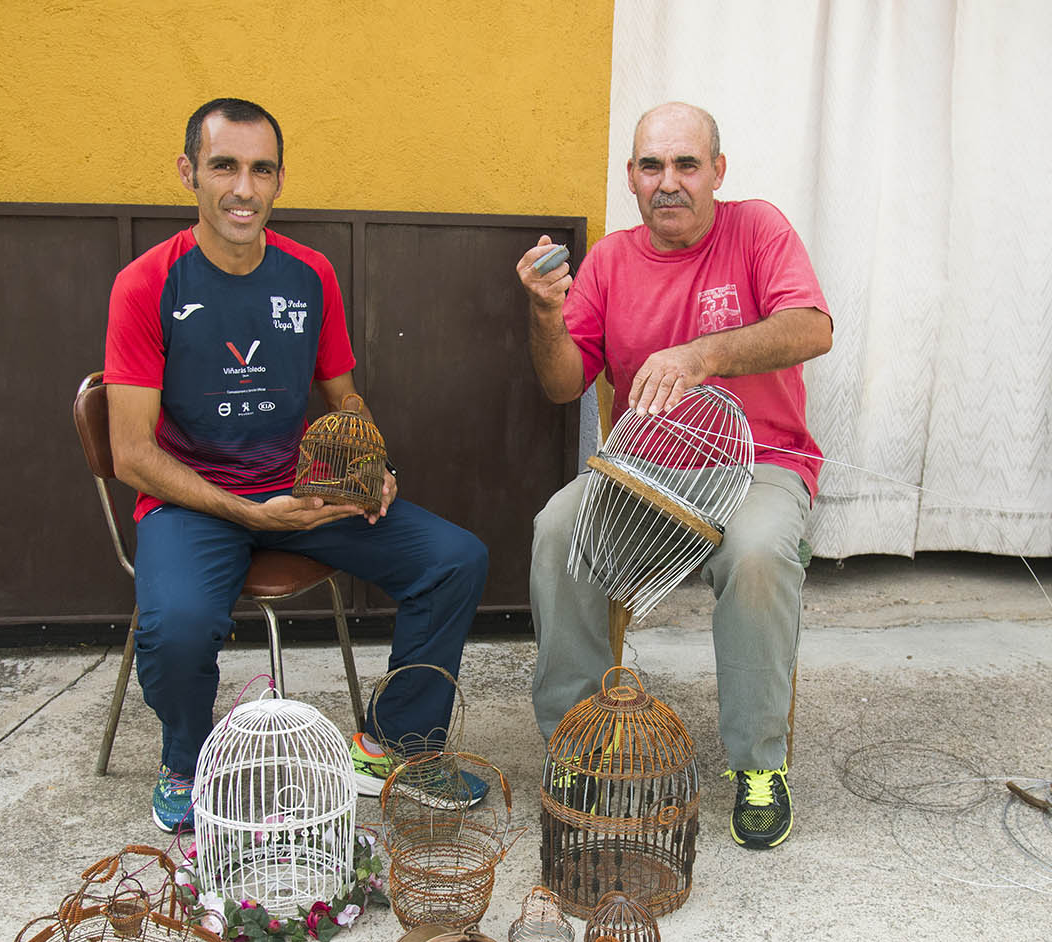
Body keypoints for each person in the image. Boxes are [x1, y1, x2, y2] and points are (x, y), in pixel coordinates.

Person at [105, 97, 489, 832]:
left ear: (279, 181)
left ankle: (390, 746)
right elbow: (131, 454)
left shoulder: (309, 275)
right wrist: (247, 513)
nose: (242, 189)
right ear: (189, 173)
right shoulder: (147, 284)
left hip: (301, 493)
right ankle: (185, 760)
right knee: (178, 627)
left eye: (260, 170)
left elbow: (345, 398)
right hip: (191, 502)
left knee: (455, 559)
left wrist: (370, 460)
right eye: (224, 167)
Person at [516, 101, 832, 850]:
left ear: (717, 172)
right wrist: (544, 316)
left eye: (687, 164)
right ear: (630, 177)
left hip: (759, 464)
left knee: (756, 556)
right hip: (647, 470)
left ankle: (759, 765)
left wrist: (701, 355)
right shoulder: (612, 260)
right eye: (651, 166)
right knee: (559, 527)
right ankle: (579, 746)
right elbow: (564, 383)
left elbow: (812, 328)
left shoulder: (757, 228)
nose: (669, 182)